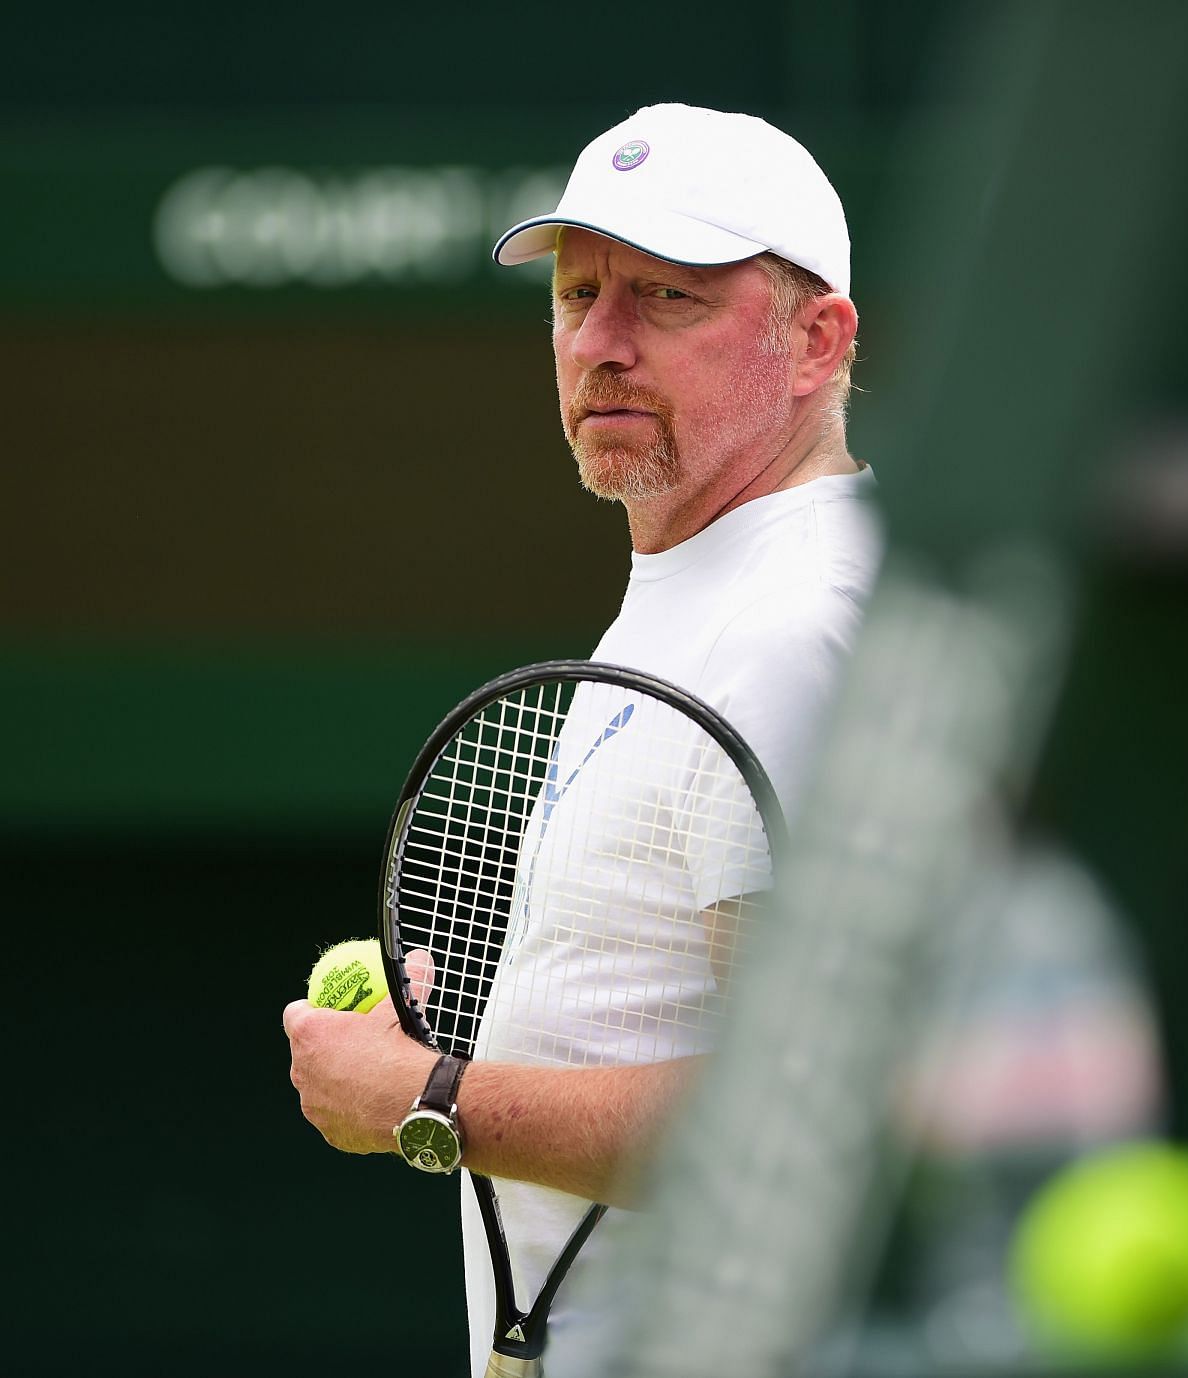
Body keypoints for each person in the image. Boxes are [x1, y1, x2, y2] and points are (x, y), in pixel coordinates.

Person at [281, 103, 881, 1374]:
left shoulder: (787, 627)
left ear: (817, 340)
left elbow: (803, 1118)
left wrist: (427, 1105)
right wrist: (477, 1052)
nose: (600, 344)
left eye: (667, 298)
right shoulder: (708, 597)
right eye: (575, 294)